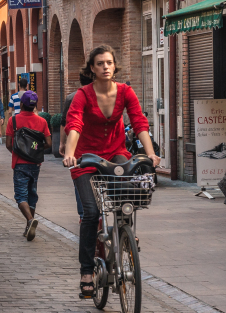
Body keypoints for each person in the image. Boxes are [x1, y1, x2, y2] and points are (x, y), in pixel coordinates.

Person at [62, 46, 160, 300]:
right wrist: (70, 154)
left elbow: (139, 122)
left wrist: (150, 154)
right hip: (86, 158)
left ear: (115, 66)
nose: (105, 67)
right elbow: (74, 124)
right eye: (100, 63)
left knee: (125, 197)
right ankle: (86, 272)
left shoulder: (126, 92)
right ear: (91, 69)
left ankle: (125, 234)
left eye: (109, 63)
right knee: (91, 212)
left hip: (115, 151)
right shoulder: (83, 95)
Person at [5, 89, 49, 240]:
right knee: (32, 194)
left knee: (20, 196)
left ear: (22, 104)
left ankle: (30, 221)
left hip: (19, 163)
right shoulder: (42, 121)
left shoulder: (14, 120)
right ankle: (28, 227)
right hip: (35, 164)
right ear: (35, 105)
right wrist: (35, 150)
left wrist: (18, 153)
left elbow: (8, 144)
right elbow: (48, 143)